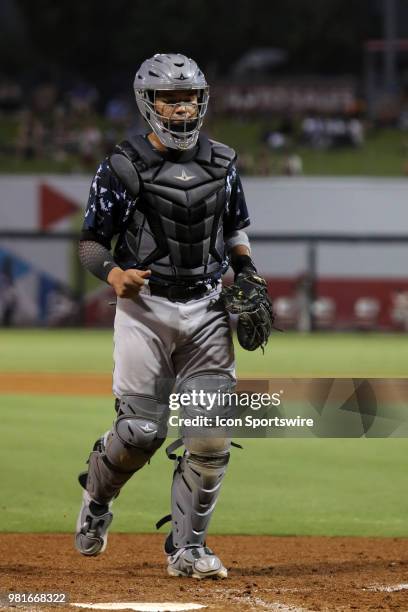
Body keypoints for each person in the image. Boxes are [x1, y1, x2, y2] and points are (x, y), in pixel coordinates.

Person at [74, 53, 269, 579]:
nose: (182, 107)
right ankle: (96, 498)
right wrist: (114, 275)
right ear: (148, 102)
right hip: (145, 309)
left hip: (207, 309)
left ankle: (189, 550)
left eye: (190, 97)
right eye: (170, 97)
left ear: (202, 101)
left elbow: (235, 231)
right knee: (140, 431)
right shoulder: (121, 164)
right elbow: (92, 243)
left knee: (209, 436)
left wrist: (247, 271)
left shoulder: (223, 162)